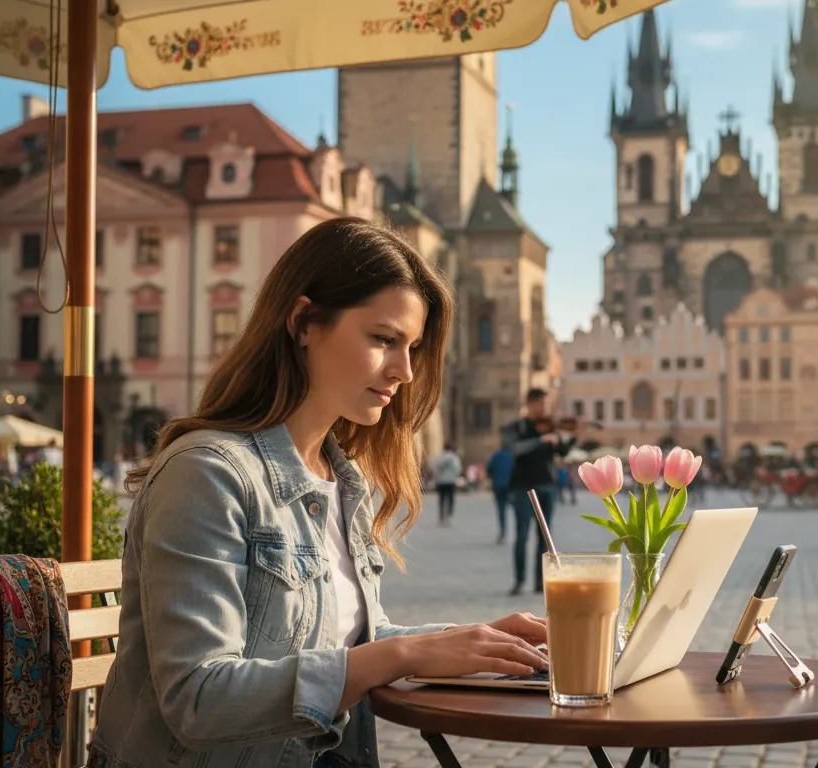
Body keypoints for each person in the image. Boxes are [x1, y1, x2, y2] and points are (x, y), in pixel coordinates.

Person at [90, 218, 548, 768]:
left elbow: (345, 643)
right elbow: (198, 698)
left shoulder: (341, 476)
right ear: (305, 322)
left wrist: (469, 642)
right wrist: (403, 652)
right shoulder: (209, 472)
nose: (404, 370)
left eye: (413, 347)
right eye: (383, 339)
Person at [502, 389, 576, 596]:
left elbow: (563, 452)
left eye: (546, 404)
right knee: (522, 535)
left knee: (544, 536)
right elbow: (514, 449)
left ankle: (539, 581)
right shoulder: (517, 427)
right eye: (541, 404)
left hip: (547, 486)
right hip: (523, 487)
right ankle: (519, 580)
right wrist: (540, 441)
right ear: (530, 404)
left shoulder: (551, 428)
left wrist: (567, 438)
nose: (544, 409)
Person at [429, 444, 462, 526]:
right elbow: (457, 469)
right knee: (450, 500)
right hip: (451, 481)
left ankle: (441, 517)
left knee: (441, 500)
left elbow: (434, 468)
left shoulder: (440, 457)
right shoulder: (454, 457)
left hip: (441, 481)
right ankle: (449, 516)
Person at [486, 447, 513, 544]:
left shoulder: (496, 456)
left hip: (498, 485)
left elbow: (489, 469)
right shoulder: (513, 456)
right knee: (517, 509)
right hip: (511, 486)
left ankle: (503, 532)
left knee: (501, 509)